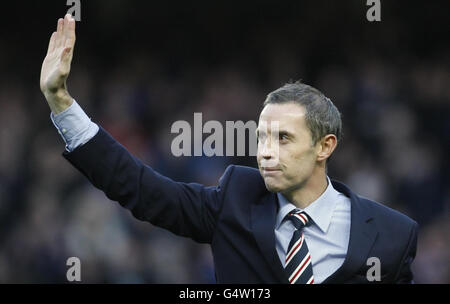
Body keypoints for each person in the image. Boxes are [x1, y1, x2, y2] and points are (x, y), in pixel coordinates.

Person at [40, 14, 418, 284]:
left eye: (283, 138)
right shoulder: (235, 199)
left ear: (325, 146)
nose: (266, 152)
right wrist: (60, 101)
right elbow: (140, 188)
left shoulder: (392, 234)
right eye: (262, 138)